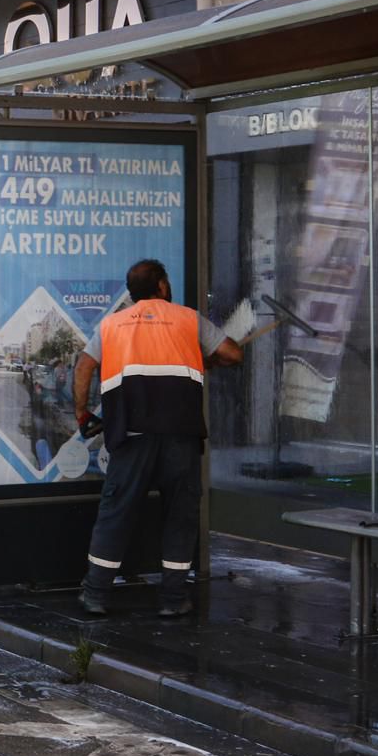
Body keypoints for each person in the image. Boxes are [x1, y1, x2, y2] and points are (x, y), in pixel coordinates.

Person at [73, 259, 241, 617]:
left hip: (131, 436)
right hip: (180, 435)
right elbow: (232, 353)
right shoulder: (187, 319)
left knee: (116, 512)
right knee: (180, 515)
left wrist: (82, 413)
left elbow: (84, 366)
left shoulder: (112, 325)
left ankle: (96, 595)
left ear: (132, 291)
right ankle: (173, 599)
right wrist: (206, 358)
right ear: (162, 285)